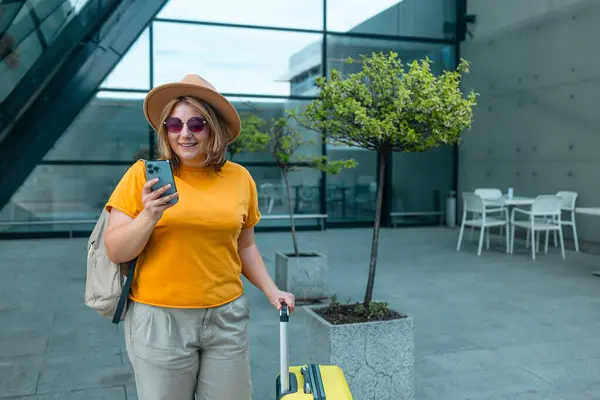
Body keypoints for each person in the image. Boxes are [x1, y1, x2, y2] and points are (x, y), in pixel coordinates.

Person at [103, 74, 296, 400]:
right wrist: (150, 214)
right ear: (165, 130)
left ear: (214, 128)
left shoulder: (240, 178)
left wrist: (271, 289)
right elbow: (116, 250)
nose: (185, 134)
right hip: (160, 319)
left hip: (227, 317)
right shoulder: (142, 175)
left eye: (197, 123)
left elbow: (245, 245)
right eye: (174, 125)